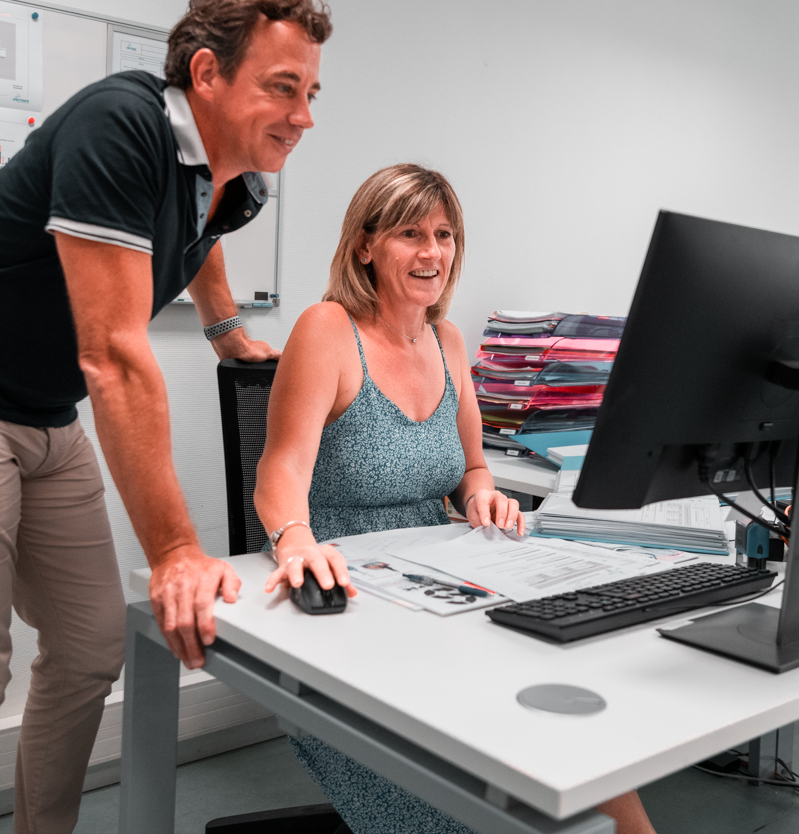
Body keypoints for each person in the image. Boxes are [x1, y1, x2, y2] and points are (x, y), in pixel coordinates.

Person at [0, 0, 331, 834]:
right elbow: (113, 357)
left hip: (39, 405)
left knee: (92, 644)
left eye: (312, 92)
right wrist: (177, 549)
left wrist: (225, 331)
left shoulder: (238, 174)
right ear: (207, 73)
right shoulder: (121, 124)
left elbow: (203, 229)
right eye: (282, 88)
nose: (303, 116)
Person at [253, 165, 658, 834]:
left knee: (582, 755)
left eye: (444, 235)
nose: (433, 252)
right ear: (365, 245)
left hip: (436, 582)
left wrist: (483, 497)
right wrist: (293, 537)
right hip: (345, 595)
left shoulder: (447, 340)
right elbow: (280, 466)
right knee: (476, 799)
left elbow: (471, 466)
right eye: (411, 234)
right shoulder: (328, 329)